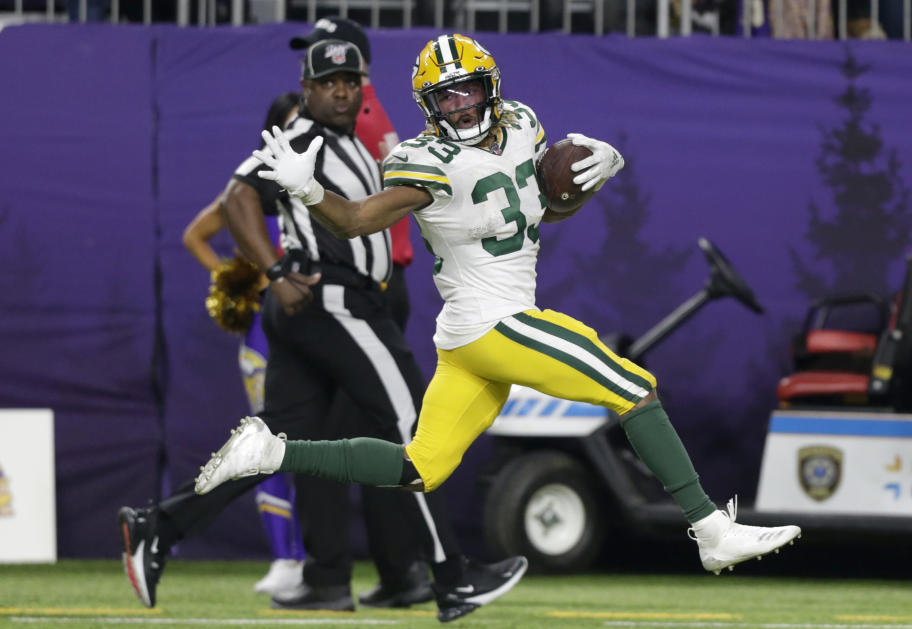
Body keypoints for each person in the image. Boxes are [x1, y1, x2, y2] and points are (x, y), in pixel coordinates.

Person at [194, 33, 803, 590]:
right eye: (445, 96)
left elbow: (541, 213)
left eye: (467, 90)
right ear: (427, 105)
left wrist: (592, 183)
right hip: (492, 322)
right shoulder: (423, 159)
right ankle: (710, 530)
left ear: (491, 87)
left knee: (419, 467)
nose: (460, 105)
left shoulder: (522, 126)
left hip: (470, 339)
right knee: (633, 386)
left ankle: (271, 451)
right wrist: (307, 190)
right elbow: (357, 220)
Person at [138, 36, 524, 622]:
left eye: (351, 81)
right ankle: (452, 577)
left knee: (270, 445)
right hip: (335, 300)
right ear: (308, 90)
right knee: (413, 424)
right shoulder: (302, 138)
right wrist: (270, 271)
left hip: (331, 305)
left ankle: (160, 526)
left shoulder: (347, 142)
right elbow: (238, 196)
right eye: (329, 83)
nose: (342, 91)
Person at [287, 18, 429, 609]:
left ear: (359, 72)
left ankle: (404, 570)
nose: (337, 87)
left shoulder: (354, 120)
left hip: (363, 286)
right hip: (378, 282)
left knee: (362, 437)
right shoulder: (378, 118)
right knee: (357, 437)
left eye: (344, 73)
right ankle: (393, 573)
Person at [180, 91, 307, 597]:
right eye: (293, 123)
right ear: (273, 131)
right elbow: (196, 235)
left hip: (319, 322)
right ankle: (285, 557)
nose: (303, 132)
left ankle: (320, 556)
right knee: (266, 438)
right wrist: (239, 280)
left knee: (319, 438)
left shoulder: (324, 180)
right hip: (265, 330)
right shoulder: (253, 186)